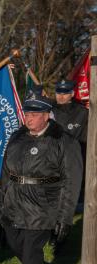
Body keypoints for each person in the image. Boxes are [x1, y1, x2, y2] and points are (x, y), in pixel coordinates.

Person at [0, 90, 82, 264]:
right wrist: (1, 202)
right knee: (15, 244)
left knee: (31, 249)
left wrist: (65, 217)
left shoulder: (63, 141)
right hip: (14, 201)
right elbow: (6, 172)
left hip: (44, 203)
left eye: (35, 113)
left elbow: (72, 182)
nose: (29, 117)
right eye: (27, 113)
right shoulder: (17, 137)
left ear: (47, 115)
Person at [52, 79, 88, 213]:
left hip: (74, 160)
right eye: (58, 92)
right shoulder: (48, 110)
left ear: (72, 93)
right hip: (51, 160)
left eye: (65, 93)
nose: (61, 96)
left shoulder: (83, 113)